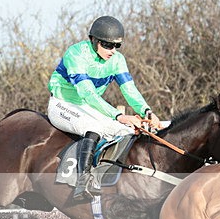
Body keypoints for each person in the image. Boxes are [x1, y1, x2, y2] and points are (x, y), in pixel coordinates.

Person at [48, 16, 161, 201]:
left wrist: (147, 112)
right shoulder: (76, 54)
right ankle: (81, 183)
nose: (113, 51)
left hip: (87, 106)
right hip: (62, 103)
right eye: (107, 45)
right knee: (94, 128)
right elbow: (88, 93)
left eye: (117, 46)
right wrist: (117, 115)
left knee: (126, 131)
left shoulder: (117, 60)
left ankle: (104, 177)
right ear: (94, 40)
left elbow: (129, 89)